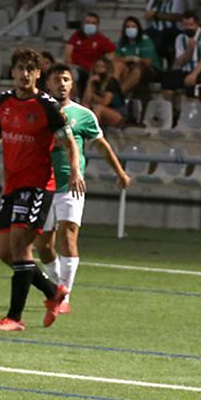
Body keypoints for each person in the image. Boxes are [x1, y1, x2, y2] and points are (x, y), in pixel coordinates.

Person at [0, 49, 82, 332]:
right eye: (20, 68)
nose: (24, 73)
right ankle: (54, 291)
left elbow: (69, 142)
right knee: (5, 253)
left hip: (39, 184)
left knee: (20, 246)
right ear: (12, 71)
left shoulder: (46, 106)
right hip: (12, 185)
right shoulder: (4, 101)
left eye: (31, 68)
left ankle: (14, 318)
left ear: (39, 74)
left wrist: (75, 170)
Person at [34, 63, 131, 316]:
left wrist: (119, 172)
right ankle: (57, 287)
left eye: (66, 79)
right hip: (41, 184)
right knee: (43, 246)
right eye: (57, 79)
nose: (62, 83)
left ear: (72, 83)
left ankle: (65, 294)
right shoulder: (38, 112)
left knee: (68, 237)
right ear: (48, 84)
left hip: (70, 183)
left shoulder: (84, 115)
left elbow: (101, 145)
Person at [164, 11, 201, 102]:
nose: (188, 28)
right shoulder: (180, 38)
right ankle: (170, 112)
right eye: (185, 25)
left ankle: (192, 113)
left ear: (196, 24)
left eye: (190, 25)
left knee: (192, 83)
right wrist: (189, 50)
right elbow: (180, 62)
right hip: (187, 71)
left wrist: (193, 74)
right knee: (168, 81)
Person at [112, 16, 160, 94]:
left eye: (133, 26)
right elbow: (115, 58)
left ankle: (119, 93)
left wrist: (133, 60)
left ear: (138, 28)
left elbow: (147, 62)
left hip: (149, 70)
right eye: (128, 27)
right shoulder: (123, 43)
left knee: (138, 67)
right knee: (118, 65)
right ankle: (112, 90)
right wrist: (130, 59)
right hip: (129, 68)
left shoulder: (145, 40)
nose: (130, 29)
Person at [64, 12, 116, 82]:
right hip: (76, 68)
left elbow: (112, 53)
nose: (90, 25)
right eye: (88, 22)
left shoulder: (102, 39)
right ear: (83, 24)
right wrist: (69, 66)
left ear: (97, 25)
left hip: (92, 70)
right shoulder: (76, 36)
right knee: (71, 74)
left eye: (93, 23)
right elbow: (68, 53)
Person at [82, 57, 131, 127]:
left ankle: (93, 133)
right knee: (85, 107)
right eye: (97, 66)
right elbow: (85, 102)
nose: (99, 69)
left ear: (107, 68)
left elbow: (105, 102)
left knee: (99, 108)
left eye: (102, 67)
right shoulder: (94, 81)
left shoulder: (111, 82)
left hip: (118, 113)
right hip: (100, 110)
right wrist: (89, 83)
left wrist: (93, 97)